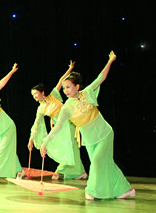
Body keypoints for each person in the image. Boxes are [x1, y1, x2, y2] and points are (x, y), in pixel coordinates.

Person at [41, 51, 135, 200]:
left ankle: (92, 190)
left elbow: (101, 77)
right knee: (107, 163)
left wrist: (110, 60)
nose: (65, 91)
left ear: (77, 86)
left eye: (68, 87)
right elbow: (58, 126)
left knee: (97, 162)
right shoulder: (66, 108)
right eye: (64, 88)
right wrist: (45, 142)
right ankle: (125, 189)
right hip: (90, 140)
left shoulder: (88, 92)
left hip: (104, 134)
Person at [27, 61, 86, 180]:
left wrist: (70, 69)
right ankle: (80, 172)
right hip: (59, 128)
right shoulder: (41, 108)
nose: (34, 97)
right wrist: (31, 139)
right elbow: (36, 124)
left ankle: (60, 171)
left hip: (69, 123)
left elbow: (61, 81)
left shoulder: (54, 95)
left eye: (36, 94)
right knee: (69, 148)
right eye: (33, 95)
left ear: (42, 93)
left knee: (71, 147)